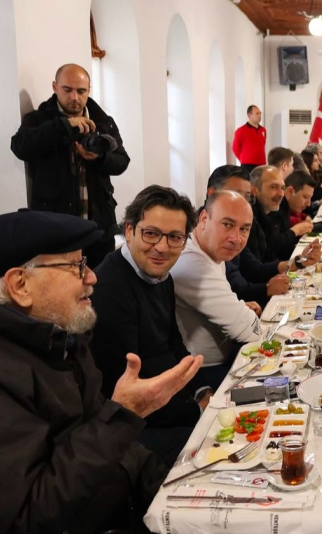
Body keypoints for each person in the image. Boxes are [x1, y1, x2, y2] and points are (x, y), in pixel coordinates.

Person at [0, 210, 202, 533]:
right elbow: (28, 516)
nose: (91, 278)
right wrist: (124, 415)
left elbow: (117, 447)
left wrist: (172, 495)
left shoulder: (63, 340)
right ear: (20, 285)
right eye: (76, 267)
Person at [90, 185, 209, 468]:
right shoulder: (108, 289)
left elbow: (173, 344)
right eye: (151, 234)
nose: (162, 247)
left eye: (175, 237)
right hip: (130, 427)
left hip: (168, 404)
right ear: (129, 230)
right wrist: (194, 410)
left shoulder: (161, 276)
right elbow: (125, 391)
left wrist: (201, 391)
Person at [10, 64, 130, 268]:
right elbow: (20, 147)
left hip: (98, 227)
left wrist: (98, 158)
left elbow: (122, 161)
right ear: (55, 87)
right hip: (54, 228)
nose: (74, 97)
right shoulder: (39, 119)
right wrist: (62, 126)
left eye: (81, 91)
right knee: (59, 281)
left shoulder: (103, 121)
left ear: (89, 90)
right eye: (67, 90)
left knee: (99, 281)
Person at [170, 191, 262, 389]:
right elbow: (251, 332)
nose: (236, 238)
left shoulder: (208, 249)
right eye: (227, 224)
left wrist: (238, 309)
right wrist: (240, 314)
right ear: (204, 219)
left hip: (221, 358)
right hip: (202, 374)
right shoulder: (194, 264)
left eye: (244, 229)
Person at [205, 165, 291, 308]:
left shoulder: (242, 225)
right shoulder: (205, 236)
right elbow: (236, 289)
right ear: (211, 194)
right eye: (234, 195)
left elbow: (252, 267)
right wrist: (266, 289)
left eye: (247, 196)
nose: (243, 203)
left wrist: (295, 264)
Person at [248, 165, 321, 267]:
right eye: (274, 187)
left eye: (282, 188)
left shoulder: (268, 212)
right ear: (254, 190)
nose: (281, 194)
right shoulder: (250, 219)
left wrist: (301, 259)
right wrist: (296, 231)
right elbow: (256, 269)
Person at [267, 171, 316, 259]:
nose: (308, 203)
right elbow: (273, 246)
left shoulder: (286, 206)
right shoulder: (275, 208)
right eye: (305, 197)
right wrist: (296, 230)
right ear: (290, 191)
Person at [232, 104, 266, 173]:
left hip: (261, 164)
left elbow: (262, 145)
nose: (259, 115)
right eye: (257, 113)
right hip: (247, 165)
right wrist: (244, 159)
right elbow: (235, 148)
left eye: (260, 113)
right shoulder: (241, 130)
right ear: (249, 115)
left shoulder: (263, 130)